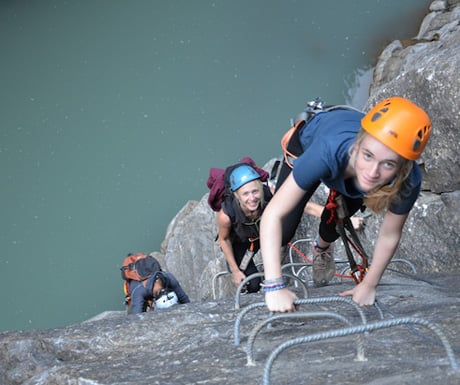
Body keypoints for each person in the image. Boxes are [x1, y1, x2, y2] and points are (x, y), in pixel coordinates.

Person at [260, 96, 431, 311]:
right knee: (284, 228)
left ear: (402, 167)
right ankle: (273, 257)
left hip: (348, 162)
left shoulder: (408, 179)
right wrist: (274, 285)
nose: (372, 172)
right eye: (368, 155)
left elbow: (390, 233)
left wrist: (369, 285)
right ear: (359, 144)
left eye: (388, 164)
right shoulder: (327, 151)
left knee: (334, 225)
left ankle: (321, 247)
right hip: (309, 145)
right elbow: (273, 213)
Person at [217, 164, 273, 293]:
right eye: (245, 194)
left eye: (255, 191)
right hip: (240, 243)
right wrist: (235, 271)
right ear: (237, 195)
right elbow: (224, 240)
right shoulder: (227, 215)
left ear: (260, 188)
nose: (252, 198)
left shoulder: (268, 194)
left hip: (264, 236)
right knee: (252, 285)